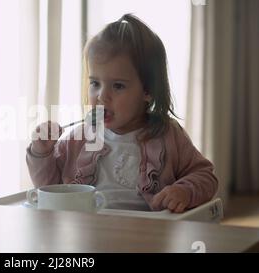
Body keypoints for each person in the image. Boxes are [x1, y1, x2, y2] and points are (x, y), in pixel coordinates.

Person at [26, 14, 218, 212]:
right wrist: (42, 153)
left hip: (147, 235)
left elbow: (205, 176)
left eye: (118, 86)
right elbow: (48, 190)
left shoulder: (168, 135)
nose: (102, 96)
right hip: (86, 233)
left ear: (148, 90)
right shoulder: (78, 139)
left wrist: (184, 191)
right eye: (95, 83)